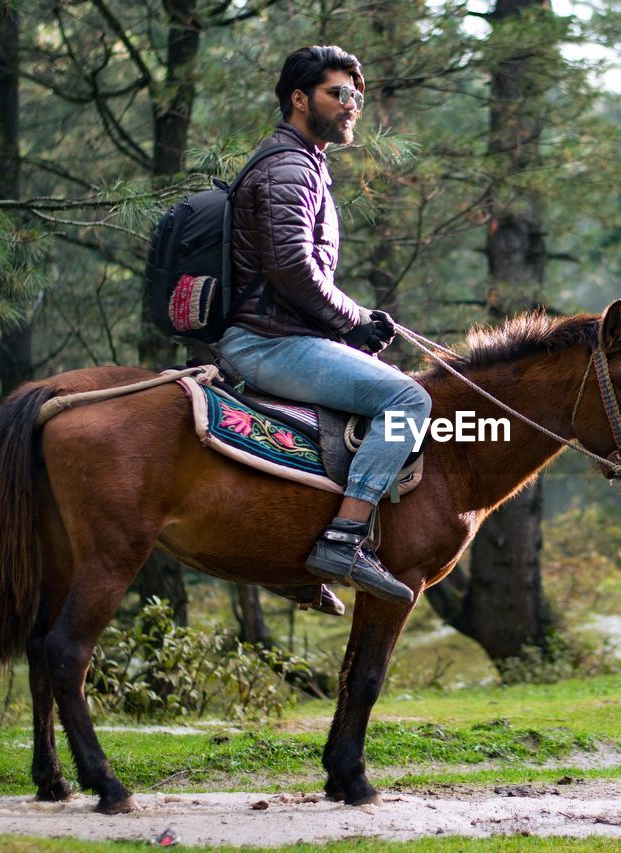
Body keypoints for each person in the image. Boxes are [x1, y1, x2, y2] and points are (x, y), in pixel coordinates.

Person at [217, 45, 429, 605]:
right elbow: (291, 266)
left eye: (356, 96)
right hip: (269, 343)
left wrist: (352, 321)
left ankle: (289, 557)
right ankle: (343, 539)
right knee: (408, 403)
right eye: (339, 93)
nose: (350, 105)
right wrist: (354, 319)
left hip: (285, 336)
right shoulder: (289, 167)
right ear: (299, 98)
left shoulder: (304, 163)